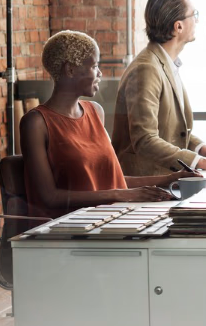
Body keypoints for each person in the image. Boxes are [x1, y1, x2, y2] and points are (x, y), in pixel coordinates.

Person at [23, 31, 194, 218]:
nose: (99, 73)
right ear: (70, 70)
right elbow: (49, 197)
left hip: (108, 219)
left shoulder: (95, 112)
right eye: (94, 66)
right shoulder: (36, 123)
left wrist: (169, 179)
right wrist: (120, 195)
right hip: (66, 229)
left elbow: (113, 180)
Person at [112, 0, 206, 175]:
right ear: (178, 26)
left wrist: (201, 149)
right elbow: (145, 139)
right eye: (193, 15)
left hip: (165, 179)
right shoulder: (146, 68)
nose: (196, 20)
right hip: (146, 183)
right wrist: (200, 163)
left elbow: (169, 130)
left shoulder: (165, 63)